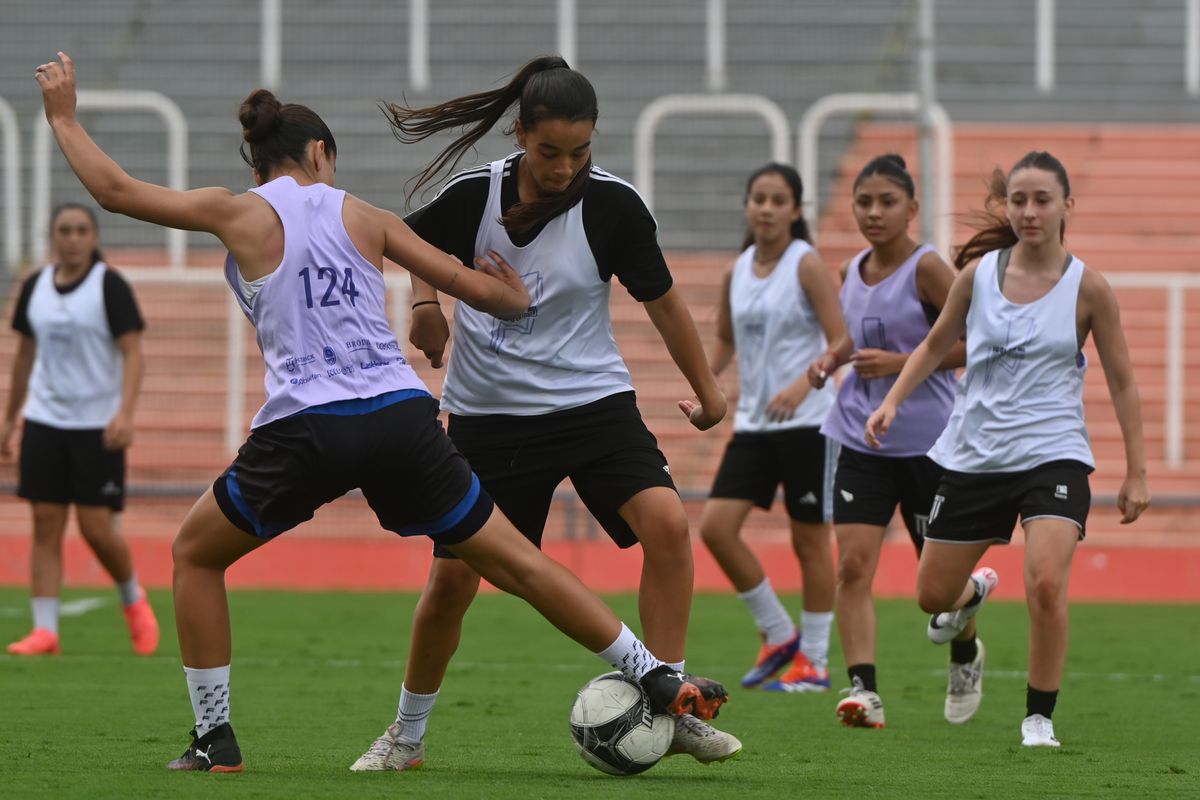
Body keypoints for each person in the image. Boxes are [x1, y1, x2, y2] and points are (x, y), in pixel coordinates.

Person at [35, 52, 728, 774]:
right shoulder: (359, 213)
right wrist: (509, 301)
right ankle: (650, 672)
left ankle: (216, 739)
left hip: (309, 427)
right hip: (403, 419)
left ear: (259, 162)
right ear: (321, 154)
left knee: (195, 554)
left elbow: (114, 192)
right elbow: (466, 281)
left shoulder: (235, 210)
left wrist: (62, 116)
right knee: (519, 565)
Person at [351, 55, 740, 772]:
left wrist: (710, 392)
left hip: (593, 405)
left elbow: (665, 305)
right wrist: (428, 305)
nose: (565, 167)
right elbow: (410, 246)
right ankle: (406, 736)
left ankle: (670, 700)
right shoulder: (476, 196)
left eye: (581, 151)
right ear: (521, 133)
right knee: (451, 587)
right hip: (488, 418)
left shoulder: (615, 206)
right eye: (550, 151)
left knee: (667, 524)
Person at [864, 150, 1150, 746]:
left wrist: (1136, 472)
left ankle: (1038, 716)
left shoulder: (1089, 287)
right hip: (975, 455)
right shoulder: (977, 276)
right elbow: (934, 345)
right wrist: (891, 402)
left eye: (1042, 199)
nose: (1029, 210)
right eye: (1019, 200)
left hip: (1054, 454)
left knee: (1046, 583)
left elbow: (1123, 381)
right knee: (931, 597)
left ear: (1067, 206)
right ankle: (970, 598)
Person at [807, 154, 966, 728]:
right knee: (851, 567)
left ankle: (966, 648)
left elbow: (973, 345)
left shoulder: (929, 270)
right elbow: (856, 332)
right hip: (858, 438)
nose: (873, 213)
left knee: (939, 582)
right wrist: (833, 357)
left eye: (887, 202)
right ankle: (863, 692)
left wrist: (900, 363)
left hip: (928, 442)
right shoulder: (851, 268)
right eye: (864, 202)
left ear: (912, 209)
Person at [698, 163, 842, 694]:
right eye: (758, 197)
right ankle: (779, 633)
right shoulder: (736, 271)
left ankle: (817, 664)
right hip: (756, 424)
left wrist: (806, 385)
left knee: (810, 544)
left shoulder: (806, 264)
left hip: (809, 423)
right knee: (715, 527)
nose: (766, 208)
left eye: (778, 200)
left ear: (796, 210)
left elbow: (839, 341)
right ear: (747, 205)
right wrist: (703, 386)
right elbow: (724, 345)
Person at [2, 202, 159, 658]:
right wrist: (10, 418)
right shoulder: (35, 286)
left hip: (97, 426)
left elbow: (133, 353)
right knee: (45, 523)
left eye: (80, 230)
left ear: (93, 237)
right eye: (64, 230)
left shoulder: (108, 286)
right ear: (52, 236)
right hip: (45, 420)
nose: (71, 238)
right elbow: (25, 356)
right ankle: (45, 630)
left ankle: (133, 600)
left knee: (96, 528)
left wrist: (125, 414)